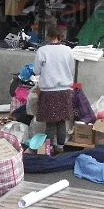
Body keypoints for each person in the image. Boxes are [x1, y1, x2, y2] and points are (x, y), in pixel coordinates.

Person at [33, 17, 74, 153]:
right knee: (61, 121)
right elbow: (71, 69)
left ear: (48, 36)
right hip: (65, 91)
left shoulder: (42, 51)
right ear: (60, 37)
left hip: (48, 91)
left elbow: (36, 71)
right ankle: (61, 147)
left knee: (50, 123)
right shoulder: (68, 50)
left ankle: (49, 148)